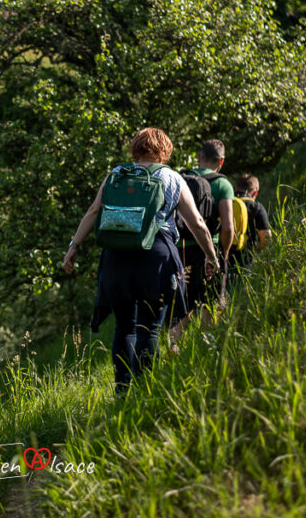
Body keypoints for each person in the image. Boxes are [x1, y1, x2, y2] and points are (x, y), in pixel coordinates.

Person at [62, 128, 217, 395]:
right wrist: (211, 256)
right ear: (165, 150)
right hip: (155, 257)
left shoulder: (117, 174)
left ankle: (122, 391)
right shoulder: (172, 177)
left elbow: (93, 211)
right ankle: (146, 391)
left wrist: (74, 246)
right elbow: (197, 223)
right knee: (150, 328)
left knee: (124, 327)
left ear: (135, 149)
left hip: (116, 257)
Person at [178, 139, 234, 325]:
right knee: (209, 304)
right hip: (209, 250)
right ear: (222, 161)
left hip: (180, 249)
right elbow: (227, 226)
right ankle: (206, 348)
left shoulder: (181, 179)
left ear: (198, 157)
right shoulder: (222, 184)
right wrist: (223, 255)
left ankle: (173, 350)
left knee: (181, 309)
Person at [231, 173, 271, 270]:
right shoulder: (256, 207)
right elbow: (266, 237)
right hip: (246, 259)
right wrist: (258, 252)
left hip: (223, 256)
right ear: (255, 193)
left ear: (236, 188)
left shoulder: (226, 202)